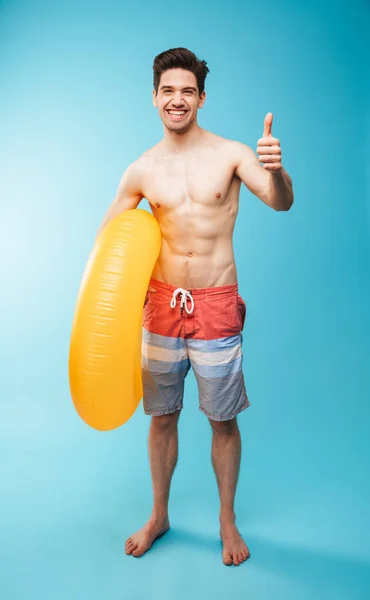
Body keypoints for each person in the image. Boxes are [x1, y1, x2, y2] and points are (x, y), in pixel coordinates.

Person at [96, 47, 294, 566]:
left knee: (221, 420)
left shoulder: (231, 155)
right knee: (162, 418)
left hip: (215, 304)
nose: (177, 99)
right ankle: (159, 514)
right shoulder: (141, 169)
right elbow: (107, 243)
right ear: (155, 99)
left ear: (201, 98)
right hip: (161, 306)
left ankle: (226, 521)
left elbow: (279, 201)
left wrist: (277, 170)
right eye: (168, 91)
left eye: (188, 91)